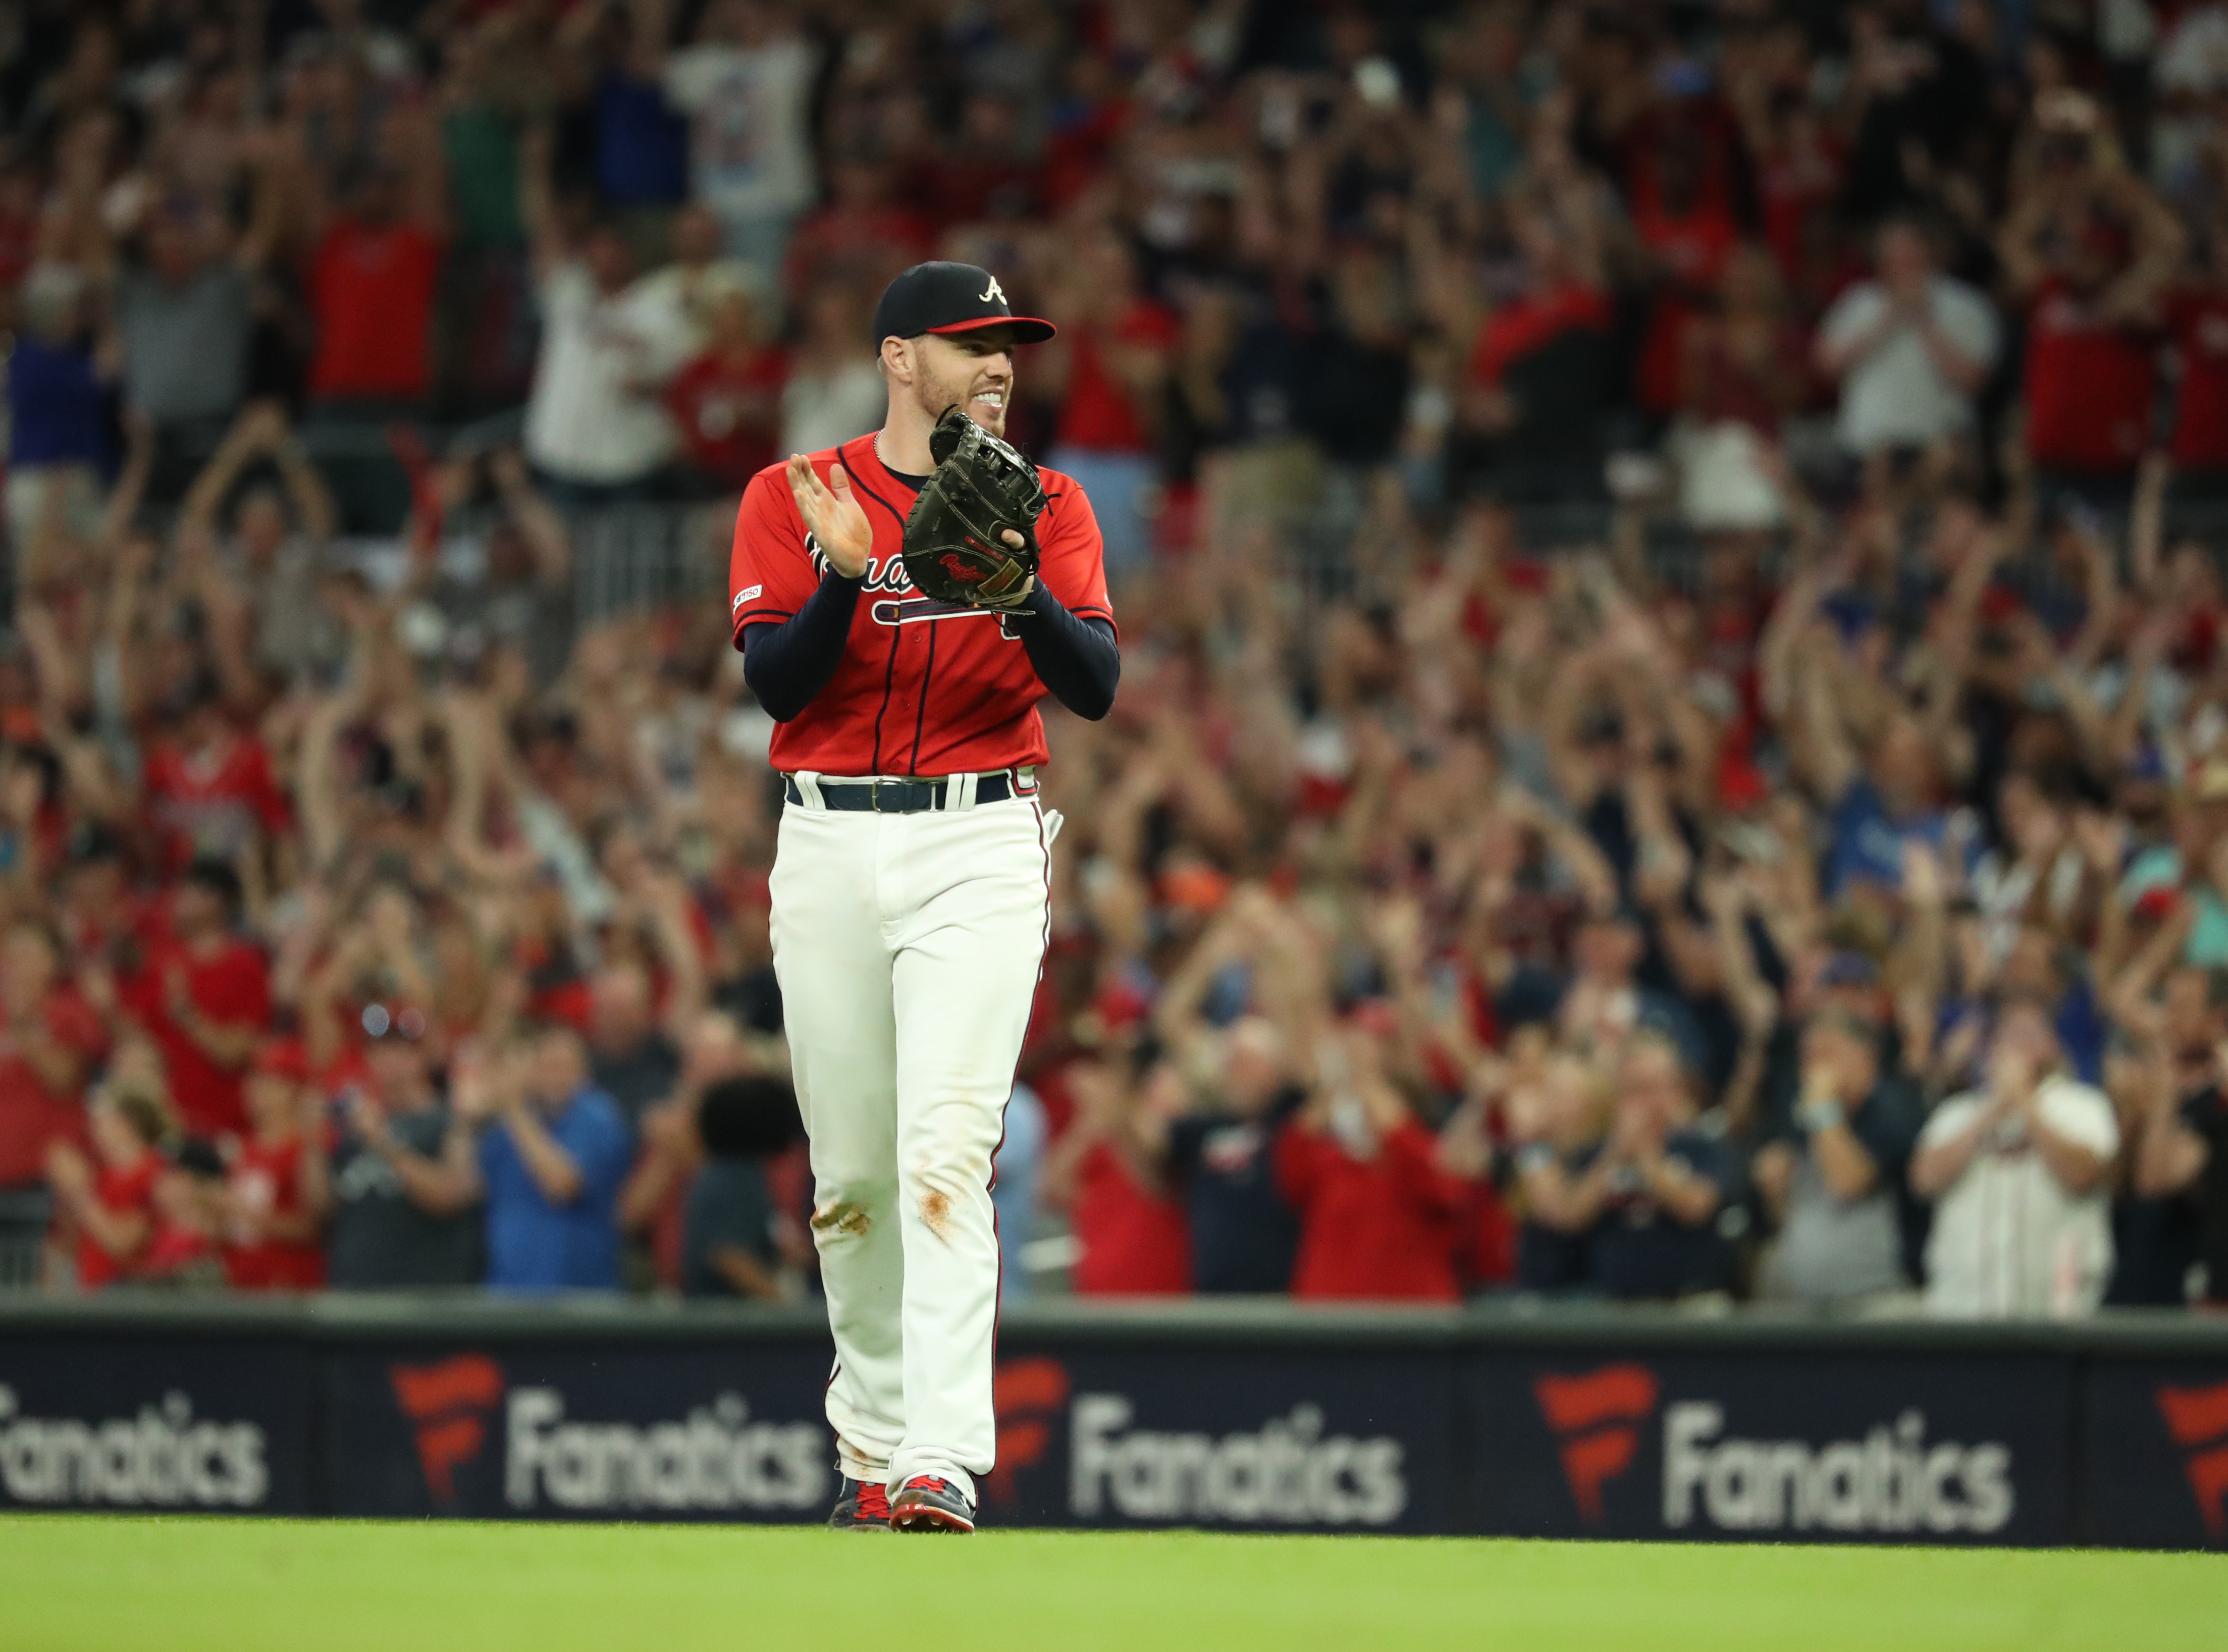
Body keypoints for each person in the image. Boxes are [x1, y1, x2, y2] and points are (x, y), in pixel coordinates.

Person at [728, 259, 1117, 1534]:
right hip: (828, 838)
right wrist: (844, 574)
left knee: (947, 1153)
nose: (1001, 364)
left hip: (979, 836)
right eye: (971, 342)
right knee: (848, 1174)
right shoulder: (796, 493)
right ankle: (871, 1452)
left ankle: (941, 1454)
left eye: (1009, 345)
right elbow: (780, 688)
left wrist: (1016, 587)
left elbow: (1095, 680)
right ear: (900, 358)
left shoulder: (1049, 501)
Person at [1912, 996, 2120, 1317]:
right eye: (2008, 1036)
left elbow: (2082, 1175)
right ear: (1990, 1046)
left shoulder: (2083, 1107)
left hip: (2058, 1315)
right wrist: (1994, 1110)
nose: (2017, 1046)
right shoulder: (1956, 1112)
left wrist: (2024, 1104)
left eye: (2028, 1035)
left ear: (2051, 1044)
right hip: (1960, 1312)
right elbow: (1925, 1179)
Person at [1752, 1012, 1923, 1305]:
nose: (1815, 1067)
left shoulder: (1891, 1106)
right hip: (1803, 1302)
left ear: (1866, 1057)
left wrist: (1823, 1111)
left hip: (1876, 1299)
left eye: (1828, 1053)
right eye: (1808, 1056)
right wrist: (1774, 1189)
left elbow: (1847, 1184)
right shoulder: (1799, 1113)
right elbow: (1785, 1217)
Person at [1814, 218, 1998, 469]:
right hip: (1868, 449)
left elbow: (1975, 380)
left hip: (1939, 448)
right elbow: (1826, 364)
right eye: (1892, 251)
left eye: (1909, 249)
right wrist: (1886, 324)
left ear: (1929, 250)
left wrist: (1924, 322)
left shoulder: (1964, 303)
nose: (1902, 259)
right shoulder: (1858, 302)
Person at [465, 1023, 631, 1294]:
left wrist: (513, 1109)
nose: (554, 1076)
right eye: (545, 1065)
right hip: (509, 1296)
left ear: (584, 1073)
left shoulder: (598, 1117)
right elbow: (463, 1189)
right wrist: (464, 1121)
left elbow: (562, 1185)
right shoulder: (502, 1131)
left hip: (581, 1299)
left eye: (563, 1066)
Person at [325, 1011, 481, 1290]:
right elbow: (322, 1213)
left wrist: (382, 1142)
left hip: (421, 1299)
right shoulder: (354, 1128)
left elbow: (449, 1197)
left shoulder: (449, 1121)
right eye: (379, 1049)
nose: (389, 1059)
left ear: (421, 1057)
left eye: (401, 1049)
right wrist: (314, 1146)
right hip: (353, 1291)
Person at [220, 1040, 330, 1291]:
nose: (255, 1089)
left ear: (293, 1089)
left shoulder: (305, 1147)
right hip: (242, 1280)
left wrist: (245, 1215)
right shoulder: (245, 1148)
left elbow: (312, 1228)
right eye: (255, 1080)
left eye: (269, 1081)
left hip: (288, 1282)